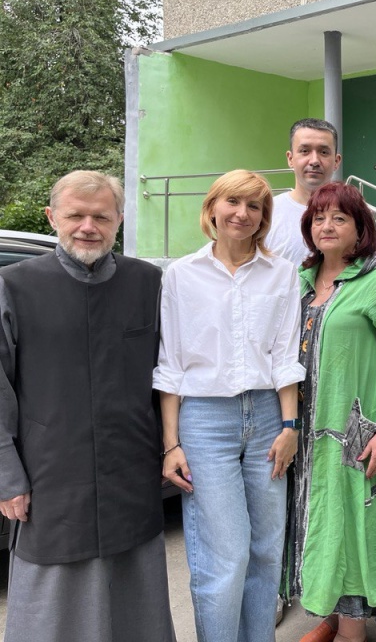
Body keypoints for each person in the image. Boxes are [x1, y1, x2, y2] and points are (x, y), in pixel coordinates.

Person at [0, 171, 175, 642]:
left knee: (135, 594)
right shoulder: (13, 286)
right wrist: (7, 476)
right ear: (51, 217)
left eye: (101, 217)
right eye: (75, 215)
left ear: (120, 219)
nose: (88, 227)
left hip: (131, 470)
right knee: (53, 599)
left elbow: (171, 374)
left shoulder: (148, 282)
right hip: (49, 472)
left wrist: (171, 446)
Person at [155, 170, 305, 642]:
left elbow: (285, 357)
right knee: (226, 553)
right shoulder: (181, 275)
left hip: (268, 417)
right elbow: (171, 364)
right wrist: (171, 444)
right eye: (233, 202)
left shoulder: (282, 273)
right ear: (212, 209)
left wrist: (290, 426)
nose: (242, 213)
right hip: (205, 420)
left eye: (254, 206)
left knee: (266, 550)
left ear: (264, 217)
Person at [288, 182, 376, 642]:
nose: (327, 225)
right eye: (319, 217)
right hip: (304, 434)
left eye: (339, 218)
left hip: (357, 433)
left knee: (352, 527)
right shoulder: (302, 280)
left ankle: (351, 631)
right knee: (321, 523)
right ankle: (333, 616)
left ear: (361, 229)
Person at [265, 118, 376, 265]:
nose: (314, 161)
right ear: (290, 158)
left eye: (324, 152)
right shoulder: (268, 213)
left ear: (336, 161)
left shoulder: (357, 212)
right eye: (304, 151)